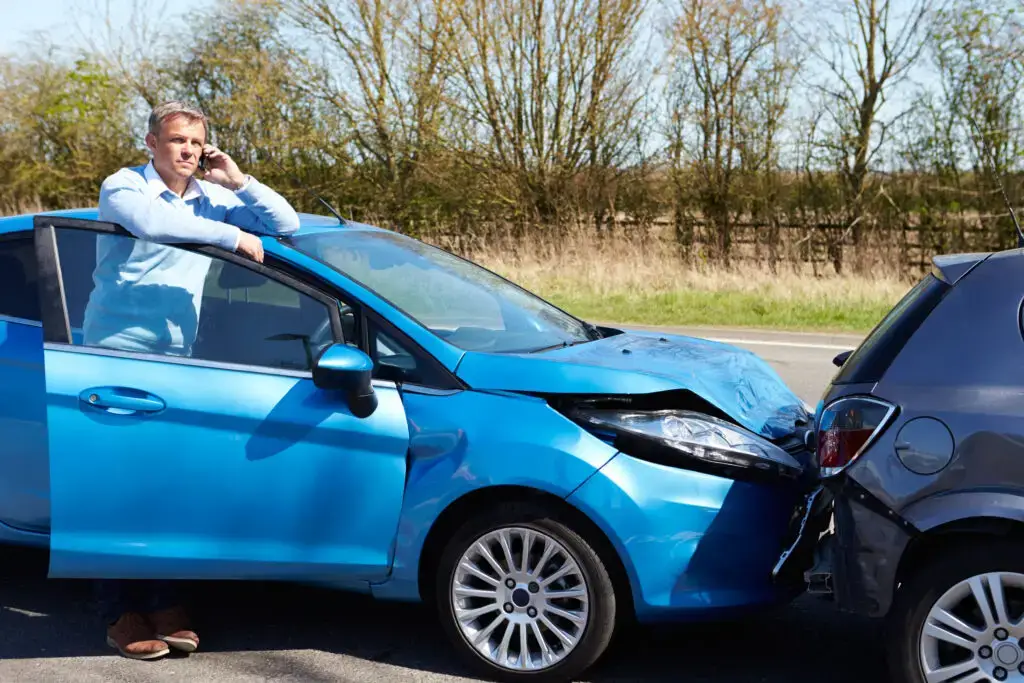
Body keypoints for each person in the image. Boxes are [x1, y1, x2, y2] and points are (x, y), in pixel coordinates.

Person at [89, 100, 300, 660]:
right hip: (115, 357)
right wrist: (231, 237)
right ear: (151, 144)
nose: (186, 150)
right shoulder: (125, 187)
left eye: (195, 142)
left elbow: (286, 226)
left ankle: (164, 602)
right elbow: (154, 226)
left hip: (178, 361)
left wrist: (239, 181)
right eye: (176, 140)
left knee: (167, 485)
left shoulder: (211, 198)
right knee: (118, 489)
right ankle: (117, 612)